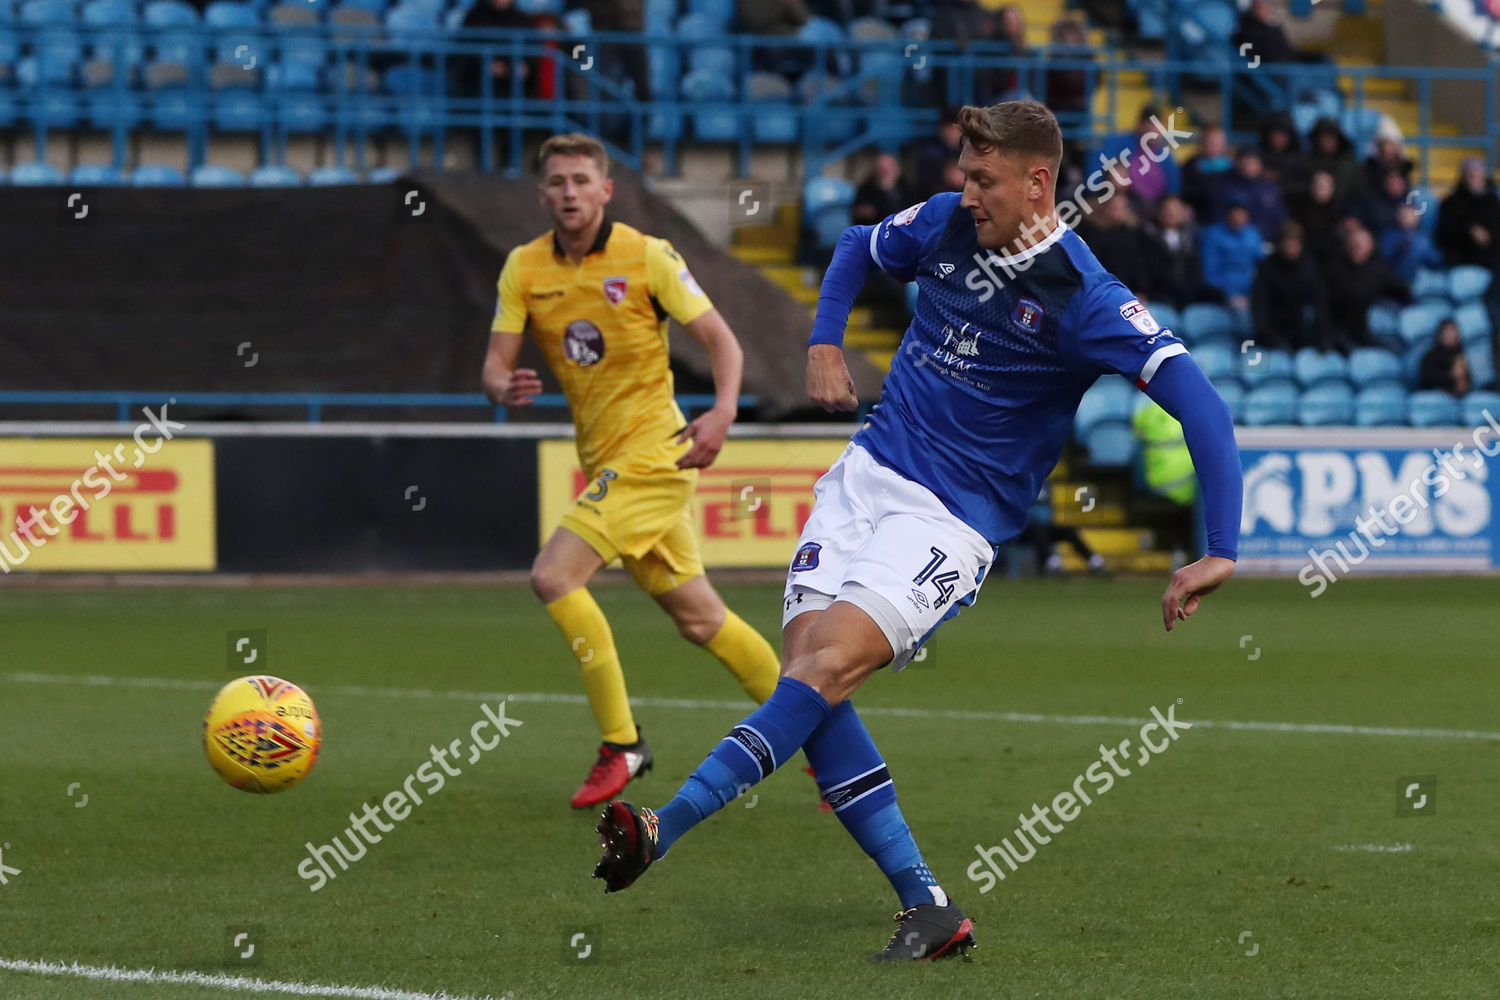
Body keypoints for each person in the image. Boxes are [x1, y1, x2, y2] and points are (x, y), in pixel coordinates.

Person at [591, 100, 1241, 961]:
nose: (964, 192)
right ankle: (929, 909)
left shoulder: (1086, 297)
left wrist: (1221, 548)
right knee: (808, 686)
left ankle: (662, 827)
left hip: (950, 519)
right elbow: (860, 244)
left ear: (1038, 182)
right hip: (861, 480)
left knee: (821, 671)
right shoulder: (944, 223)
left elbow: (1202, 408)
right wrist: (825, 339)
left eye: (983, 178)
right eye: (963, 172)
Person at [483, 134, 783, 809]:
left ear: (605, 190)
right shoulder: (523, 269)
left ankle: (622, 742)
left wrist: (724, 411)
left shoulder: (647, 256)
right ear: (542, 194)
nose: (569, 193)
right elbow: (493, 366)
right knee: (702, 621)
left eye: (582, 180)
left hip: (655, 453)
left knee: (552, 575)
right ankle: (825, 736)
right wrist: (502, 388)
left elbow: (721, 339)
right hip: (606, 463)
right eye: (557, 181)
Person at [1325, 224, 1410, 353]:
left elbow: (1401, 290)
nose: (1357, 248)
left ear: (1371, 247)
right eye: (1353, 244)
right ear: (1347, 246)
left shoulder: (1379, 269)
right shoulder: (1336, 269)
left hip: (1370, 329)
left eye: (1361, 244)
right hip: (1343, 329)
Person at [1250, 221, 1328, 351]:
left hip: (1301, 330)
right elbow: (1259, 304)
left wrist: (1322, 335)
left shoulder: (1310, 267)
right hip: (1273, 330)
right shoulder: (1267, 267)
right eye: (1287, 244)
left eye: (1295, 244)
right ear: (1280, 244)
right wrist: (1268, 335)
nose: (1291, 249)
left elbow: (1319, 303)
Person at [1095, 106, 1182, 214]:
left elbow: (1173, 190)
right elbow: (1095, 178)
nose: (1155, 132)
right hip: (1118, 203)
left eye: (1159, 128)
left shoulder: (1164, 155)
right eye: (1151, 126)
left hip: (1155, 210)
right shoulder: (1117, 144)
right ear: (1140, 125)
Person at [1141, 194, 1220, 309]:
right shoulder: (1147, 237)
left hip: (1188, 297)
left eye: (1176, 210)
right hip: (1159, 297)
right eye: (1168, 210)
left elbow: (1195, 271)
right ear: (1159, 212)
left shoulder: (1191, 237)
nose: (1171, 214)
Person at [1200, 199, 1268, 315]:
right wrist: (1229, 294)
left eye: (1242, 213)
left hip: (1253, 292)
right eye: (1235, 213)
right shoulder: (1214, 235)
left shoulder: (1253, 234)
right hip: (1225, 294)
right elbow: (1210, 273)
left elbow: (1263, 265)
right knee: (1244, 314)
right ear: (1228, 215)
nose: (1239, 217)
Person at [1436, 157, 1500, 271]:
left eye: (1477, 172)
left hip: (1491, 258)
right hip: (1462, 259)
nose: (1473, 176)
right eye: (1470, 173)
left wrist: (1488, 238)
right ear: (1463, 176)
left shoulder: (1493, 201)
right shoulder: (1450, 203)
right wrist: (1469, 233)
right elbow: (1443, 236)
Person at [1213, 147, 1285, 242]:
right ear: (1237, 162)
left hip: (1268, 240)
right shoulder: (1225, 185)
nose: (1249, 164)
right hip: (1234, 241)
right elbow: (1218, 216)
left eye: (1254, 161)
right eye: (1246, 160)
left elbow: (1280, 216)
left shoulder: (1269, 187)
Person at [1292, 169, 1352, 270]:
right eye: (1317, 186)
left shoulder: (1341, 210)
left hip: (1333, 257)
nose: (1320, 190)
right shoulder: (1302, 209)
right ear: (1311, 188)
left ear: (1332, 188)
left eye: (1324, 187)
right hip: (1308, 255)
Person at [1180, 123, 1233, 223]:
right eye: (1210, 140)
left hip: (1226, 223)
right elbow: (1183, 193)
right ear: (1202, 142)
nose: (1213, 144)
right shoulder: (1190, 166)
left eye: (1217, 140)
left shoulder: (1234, 167)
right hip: (1198, 221)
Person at [1381, 201, 1443, 282]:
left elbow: (1435, 262)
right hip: (1394, 281)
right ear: (1398, 216)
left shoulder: (1423, 238)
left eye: (1412, 214)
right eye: (1405, 214)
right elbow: (1386, 259)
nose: (1408, 218)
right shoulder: (1389, 235)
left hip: (1419, 281)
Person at [1306, 117, 1363, 204]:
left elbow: (1358, 192)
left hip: (1343, 211)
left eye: (1331, 137)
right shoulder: (1307, 161)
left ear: (1338, 139)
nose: (1327, 141)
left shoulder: (1349, 164)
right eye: (1323, 137)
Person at [1044, 18, 1094, 117]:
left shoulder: (1088, 57)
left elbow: (1095, 81)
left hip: (1080, 109)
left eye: (1074, 34)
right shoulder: (1053, 60)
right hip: (1057, 108)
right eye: (1067, 35)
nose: (1072, 39)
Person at [910, 110, 964, 199]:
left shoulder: (969, 152)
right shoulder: (930, 155)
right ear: (942, 129)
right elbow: (925, 186)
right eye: (949, 128)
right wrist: (945, 175)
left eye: (957, 129)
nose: (953, 132)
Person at [852, 153, 916, 225]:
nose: (884, 173)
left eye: (887, 169)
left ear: (897, 170)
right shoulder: (865, 190)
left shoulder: (908, 189)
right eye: (881, 170)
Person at [1419, 319, 1471, 396]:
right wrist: (1453, 376)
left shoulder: (1463, 353)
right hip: (1437, 396)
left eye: (1454, 331)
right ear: (1440, 334)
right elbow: (1429, 381)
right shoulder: (1430, 357)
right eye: (1448, 332)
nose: (1452, 335)